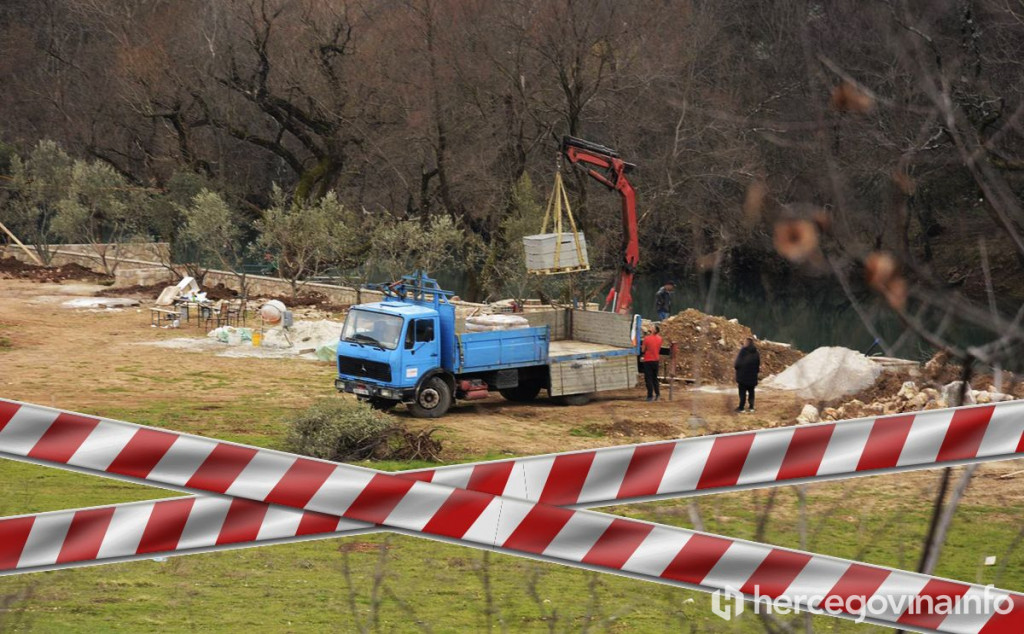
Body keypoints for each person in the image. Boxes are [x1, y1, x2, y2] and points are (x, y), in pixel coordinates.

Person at [734, 337, 761, 413]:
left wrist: (737, 369)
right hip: (752, 377)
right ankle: (751, 407)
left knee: (742, 392)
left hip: (743, 377)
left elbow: (737, 364)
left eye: (744, 342)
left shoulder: (743, 351)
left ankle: (741, 407)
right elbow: (758, 364)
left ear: (747, 343)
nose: (743, 343)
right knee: (751, 392)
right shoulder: (756, 353)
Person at [641, 324, 663, 401]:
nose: (650, 327)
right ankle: (657, 394)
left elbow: (643, 350)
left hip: (648, 360)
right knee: (655, 378)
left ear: (654, 330)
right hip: (656, 360)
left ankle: (650, 396)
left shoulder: (646, 339)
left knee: (648, 378)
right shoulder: (660, 339)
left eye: (652, 327)